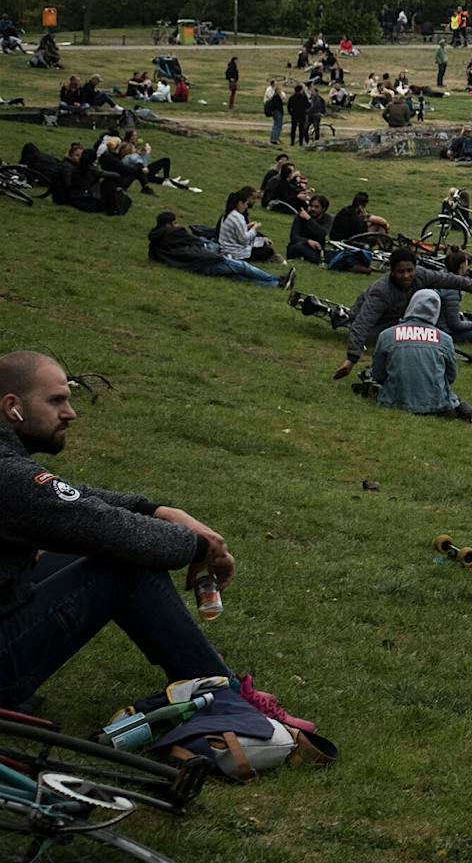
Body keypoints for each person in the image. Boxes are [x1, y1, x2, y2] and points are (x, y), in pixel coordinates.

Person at [0, 351, 236, 709]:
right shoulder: (8, 477)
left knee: (100, 543)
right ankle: (226, 699)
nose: (70, 413)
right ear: (12, 406)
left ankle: (213, 686)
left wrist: (154, 510)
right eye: (56, 401)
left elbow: (72, 500)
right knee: (125, 564)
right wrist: (203, 548)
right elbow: (109, 529)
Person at [343, 247, 472, 371]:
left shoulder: (422, 275)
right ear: (392, 271)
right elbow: (363, 323)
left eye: (410, 270)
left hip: (400, 318)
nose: (406, 276)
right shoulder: (381, 292)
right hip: (379, 325)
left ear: (415, 268)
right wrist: (352, 358)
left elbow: (450, 280)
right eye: (401, 272)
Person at [370, 288, 472, 422]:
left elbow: (378, 374)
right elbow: (450, 376)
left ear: (411, 305)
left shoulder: (387, 335)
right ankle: (471, 415)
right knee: (449, 395)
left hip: (394, 400)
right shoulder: (445, 339)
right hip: (437, 404)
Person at [148, 210, 295, 287]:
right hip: (205, 261)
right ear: (169, 225)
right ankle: (276, 280)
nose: (177, 225)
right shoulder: (175, 234)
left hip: (197, 266)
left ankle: (275, 285)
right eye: (175, 222)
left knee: (237, 277)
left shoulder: (155, 244)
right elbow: (195, 247)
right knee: (242, 267)